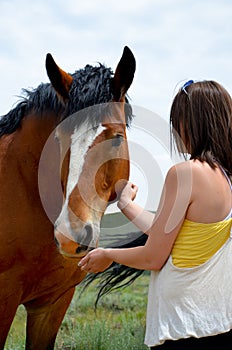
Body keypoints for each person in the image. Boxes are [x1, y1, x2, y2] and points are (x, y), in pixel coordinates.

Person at [79, 80, 232, 349]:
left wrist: (108, 255)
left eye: (178, 119)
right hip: (216, 321)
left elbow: (153, 256)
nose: (175, 130)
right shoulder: (226, 177)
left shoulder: (186, 174)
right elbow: (171, 233)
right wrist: (127, 205)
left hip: (182, 325)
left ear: (195, 122)